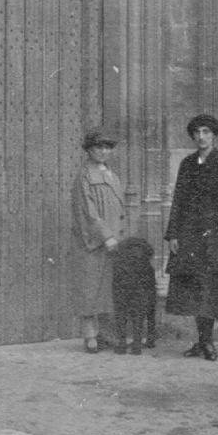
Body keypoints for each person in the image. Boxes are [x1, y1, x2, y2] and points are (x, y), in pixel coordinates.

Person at [164, 114, 218, 360]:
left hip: (216, 236)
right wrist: (173, 234)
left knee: (212, 288)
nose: (201, 137)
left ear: (214, 135)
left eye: (206, 132)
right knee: (196, 288)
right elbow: (178, 199)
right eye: (197, 133)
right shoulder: (188, 163)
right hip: (191, 236)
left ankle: (208, 342)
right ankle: (201, 341)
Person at [70, 128, 126, 353]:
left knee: (107, 288)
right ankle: (90, 335)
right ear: (89, 150)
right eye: (98, 147)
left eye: (107, 147)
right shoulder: (85, 176)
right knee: (90, 287)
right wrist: (106, 236)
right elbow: (88, 211)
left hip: (114, 240)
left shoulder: (113, 175)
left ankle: (104, 333)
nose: (103, 151)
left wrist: (119, 236)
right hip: (93, 242)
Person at [111, 235, 157, 355]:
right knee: (144, 311)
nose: (135, 252)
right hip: (141, 286)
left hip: (125, 284)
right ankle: (140, 342)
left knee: (121, 312)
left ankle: (122, 343)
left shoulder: (119, 267)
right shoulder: (147, 267)